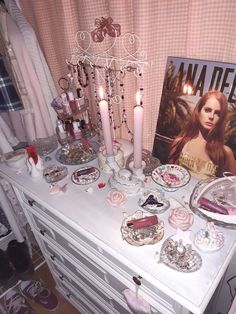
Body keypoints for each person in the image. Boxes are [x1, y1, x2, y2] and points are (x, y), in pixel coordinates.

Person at [168, 90, 236, 179]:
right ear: (198, 111)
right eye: (207, 110)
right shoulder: (180, 143)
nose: (211, 116)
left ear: (221, 119)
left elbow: (232, 187)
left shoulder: (225, 153)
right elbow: (168, 177)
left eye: (217, 113)